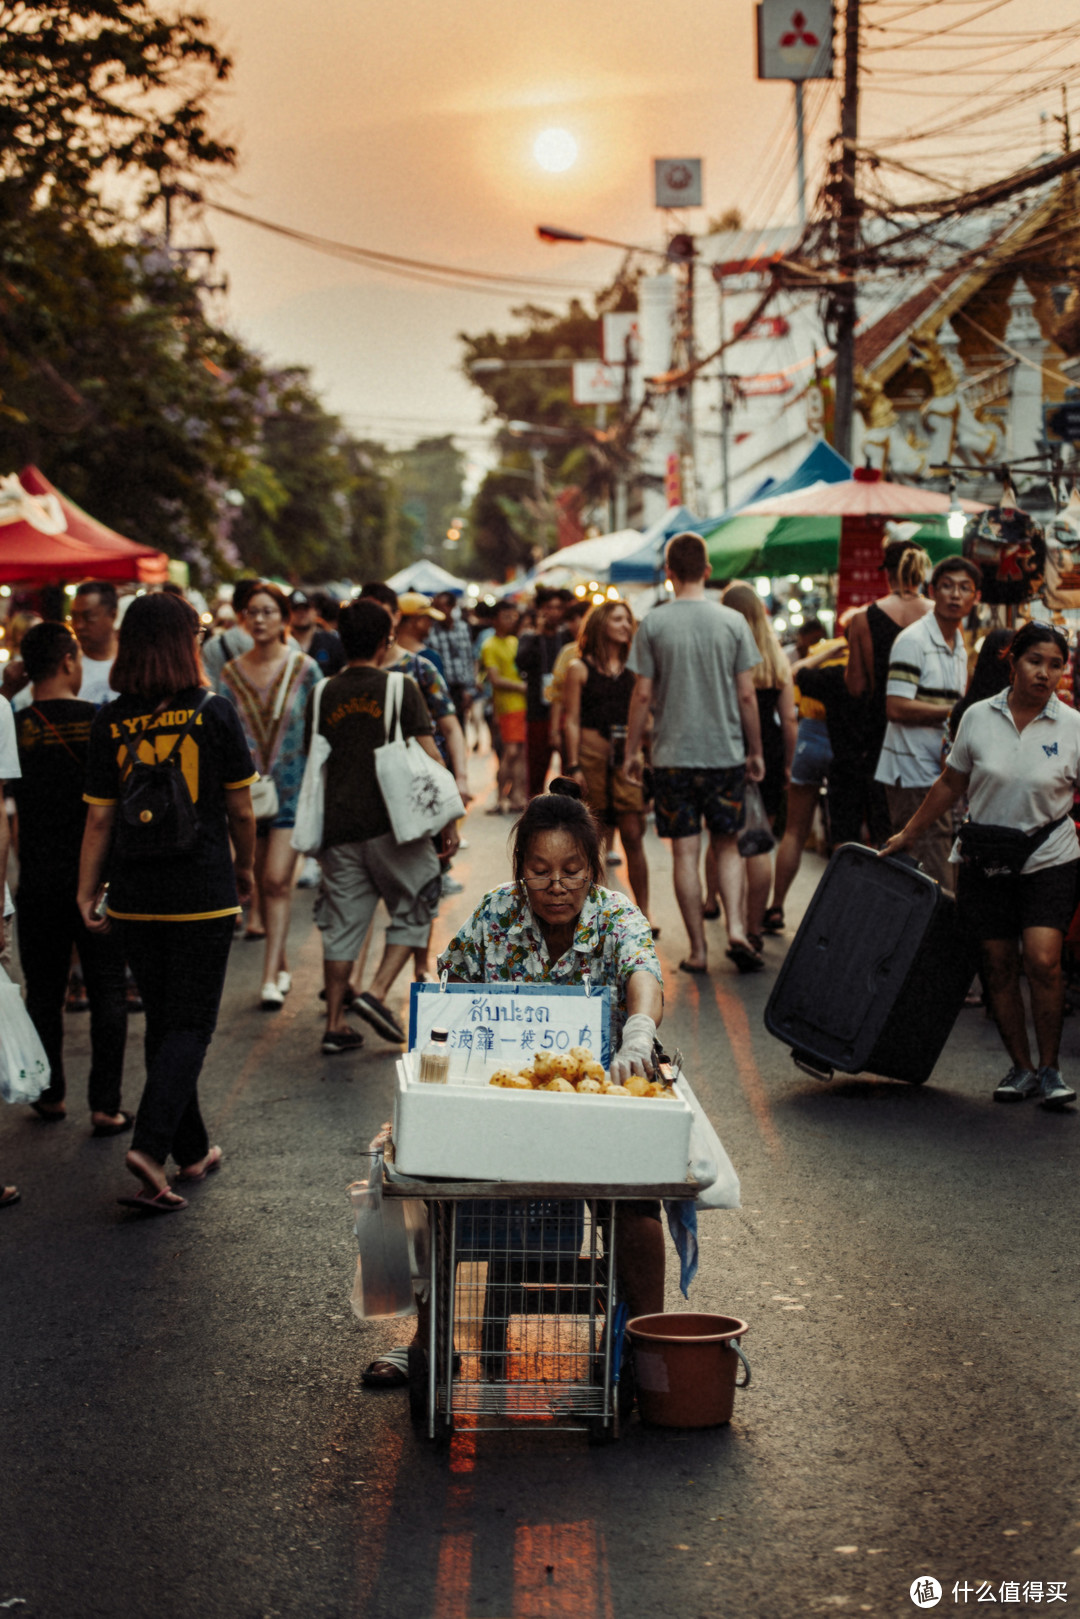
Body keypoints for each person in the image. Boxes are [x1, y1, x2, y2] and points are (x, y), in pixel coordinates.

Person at [77, 591, 257, 1214]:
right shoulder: (214, 712)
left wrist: (86, 889)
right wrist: (248, 871)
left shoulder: (108, 721)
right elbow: (240, 807)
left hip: (133, 897)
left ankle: (193, 1149)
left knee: (164, 1021)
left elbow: (99, 822)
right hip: (201, 893)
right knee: (191, 1025)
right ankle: (151, 1149)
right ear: (186, 643)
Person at [881, 622, 1079, 1109]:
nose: (1045, 674)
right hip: (985, 856)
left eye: (1056, 665)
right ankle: (1023, 1068)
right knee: (997, 963)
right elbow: (951, 783)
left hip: (1050, 854)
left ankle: (1052, 1069)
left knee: (1043, 960)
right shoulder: (976, 717)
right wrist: (910, 833)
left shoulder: (1073, 725)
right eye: (1036, 661)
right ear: (1011, 661)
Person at [307, 599, 458, 1054]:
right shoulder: (400, 686)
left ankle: (335, 1023)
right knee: (418, 901)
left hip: (337, 825)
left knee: (343, 926)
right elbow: (429, 753)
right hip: (396, 824)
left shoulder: (321, 693)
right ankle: (374, 992)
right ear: (384, 641)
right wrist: (448, 816)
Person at [623, 533, 765, 975]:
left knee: (684, 853)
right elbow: (746, 697)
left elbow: (643, 696)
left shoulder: (654, 624)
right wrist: (755, 749)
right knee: (727, 847)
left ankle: (700, 951)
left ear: (668, 573)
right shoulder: (732, 623)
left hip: (671, 757)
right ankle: (738, 929)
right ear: (707, 570)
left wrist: (631, 751)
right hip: (724, 753)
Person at [11, 622, 129, 1132]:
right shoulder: (102, 720)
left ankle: (50, 1092)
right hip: (97, 880)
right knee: (107, 989)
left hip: (36, 877)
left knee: (43, 991)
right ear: (67, 662)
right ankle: (105, 1105)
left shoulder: (13, 725)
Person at [218, 583, 322, 1008]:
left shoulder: (305, 668)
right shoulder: (229, 675)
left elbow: (319, 731)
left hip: (293, 791)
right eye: (252, 612)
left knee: (278, 880)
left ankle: (268, 977)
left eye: (268, 612)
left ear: (283, 618)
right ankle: (278, 965)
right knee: (259, 881)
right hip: (245, 796)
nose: (259, 620)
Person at [874, 556, 980, 890]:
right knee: (927, 868)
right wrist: (957, 710)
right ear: (932, 591)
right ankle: (927, 940)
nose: (955, 595)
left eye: (964, 588)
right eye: (947, 586)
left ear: (975, 597)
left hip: (938, 770)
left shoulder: (959, 644)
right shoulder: (913, 640)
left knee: (929, 863)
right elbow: (896, 707)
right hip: (911, 771)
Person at [715, 584, 797, 950]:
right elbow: (790, 719)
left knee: (724, 837)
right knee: (760, 841)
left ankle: (717, 905)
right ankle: (753, 928)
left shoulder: (723, 653)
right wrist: (790, 765)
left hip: (730, 750)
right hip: (772, 753)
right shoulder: (776, 658)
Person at [561, 598, 651, 924]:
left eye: (628, 620)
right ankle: (591, 914)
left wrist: (644, 753)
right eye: (618, 620)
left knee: (633, 834)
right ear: (601, 624)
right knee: (590, 838)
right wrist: (574, 766)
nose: (626, 626)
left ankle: (643, 913)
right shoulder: (579, 668)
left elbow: (646, 714)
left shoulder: (635, 670)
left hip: (626, 759)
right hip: (591, 757)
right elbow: (571, 720)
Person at [846, 535, 932, 841]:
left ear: (887, 573)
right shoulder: (940, 617)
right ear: (922, 572)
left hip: (882, 732)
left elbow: (856, 687)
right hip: (931, 728)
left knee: (886, 826)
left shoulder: (862, 620)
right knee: (929, 824)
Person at [765, 625, 836, 934]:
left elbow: (794, 672)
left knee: (794, 829)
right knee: (843, 834)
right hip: (844, 738)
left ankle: (777, 906)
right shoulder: (856, 652)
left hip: (810, 734)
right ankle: (837, 915)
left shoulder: (822, 654)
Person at [515, 587, 569, 797]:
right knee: (536, 770)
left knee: (567, 772)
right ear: (539, 609)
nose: (553, 612)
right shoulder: (529, 637)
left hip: (563, 711)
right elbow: (521, 663)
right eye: (548, 607)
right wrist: (538, 633)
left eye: (558, 607)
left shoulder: (566, 636)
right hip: (538, 710)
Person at [480, 601, 527, 812]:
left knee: (520, 753)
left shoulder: (514, 642)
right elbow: (494, 679)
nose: (512, 620)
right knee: (510, 753)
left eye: (513, 616)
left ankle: (517, 795)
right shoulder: (489, 644)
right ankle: (500, 797)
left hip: (521, 705)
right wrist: (523, 687)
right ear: (495, 619)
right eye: (507, 616)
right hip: (508, 706)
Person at [428, 590, 477, 727]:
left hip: (459, 689)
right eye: (437, 607)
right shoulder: (430, 630)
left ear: (452, 607)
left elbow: (468, 658)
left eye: (444, 606)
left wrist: (469, 689)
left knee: (460, 726)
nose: (441, 611)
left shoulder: (463, 627)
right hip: (439, 688)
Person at [287, 590, 344, 677]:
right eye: (296, 609)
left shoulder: (332, 642)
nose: (301, 613)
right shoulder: (282, 643)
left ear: (316, 611)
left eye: (306, 608)